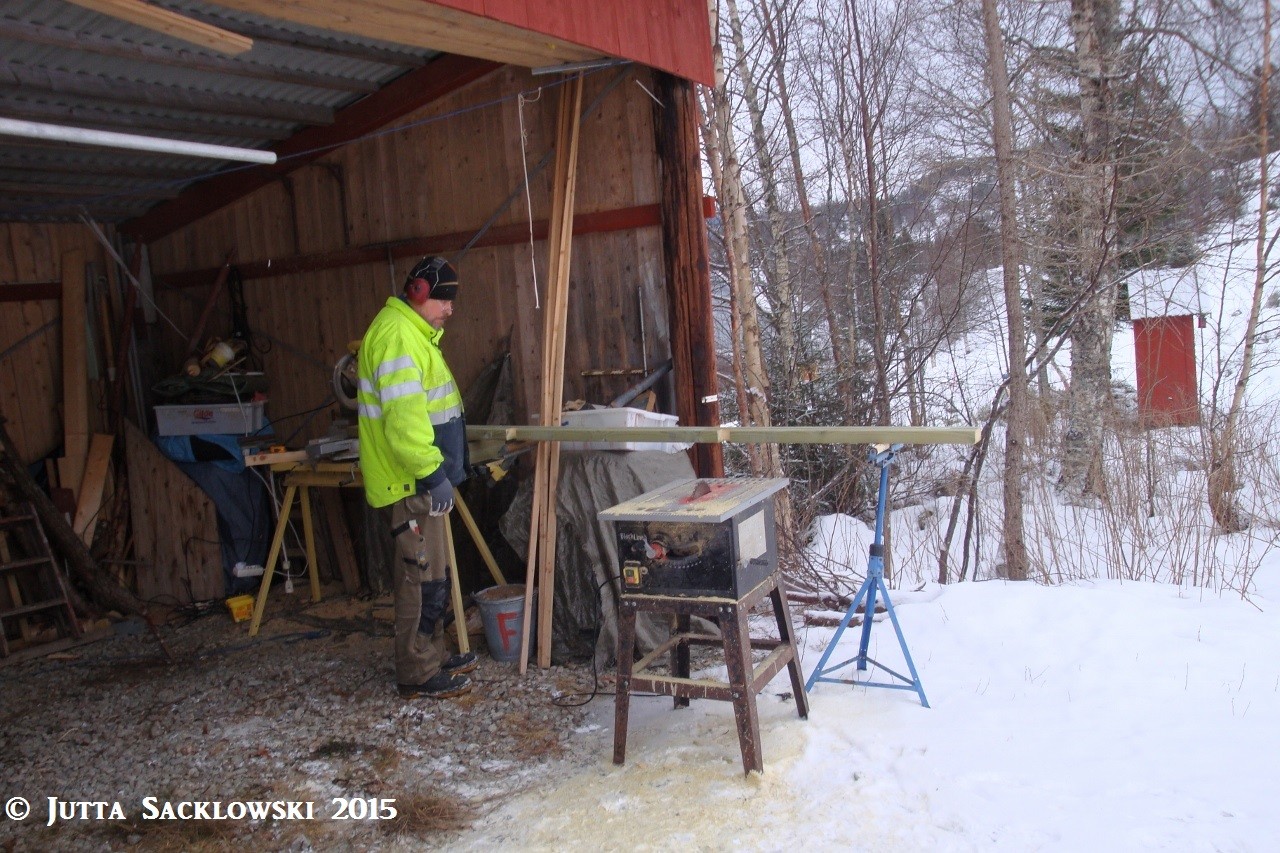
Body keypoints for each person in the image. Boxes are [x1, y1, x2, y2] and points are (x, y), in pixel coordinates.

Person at [357, 256, 477, 699]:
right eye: (444, 300)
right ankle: (417, 672)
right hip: (412, 484)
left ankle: (432, 654)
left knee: (435, 576)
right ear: (420, 293)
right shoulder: (397, 337)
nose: (450, 309)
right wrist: (432, 473)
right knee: (418, 579)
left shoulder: (414, 335)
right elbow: (405, 424)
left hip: (424, 483)